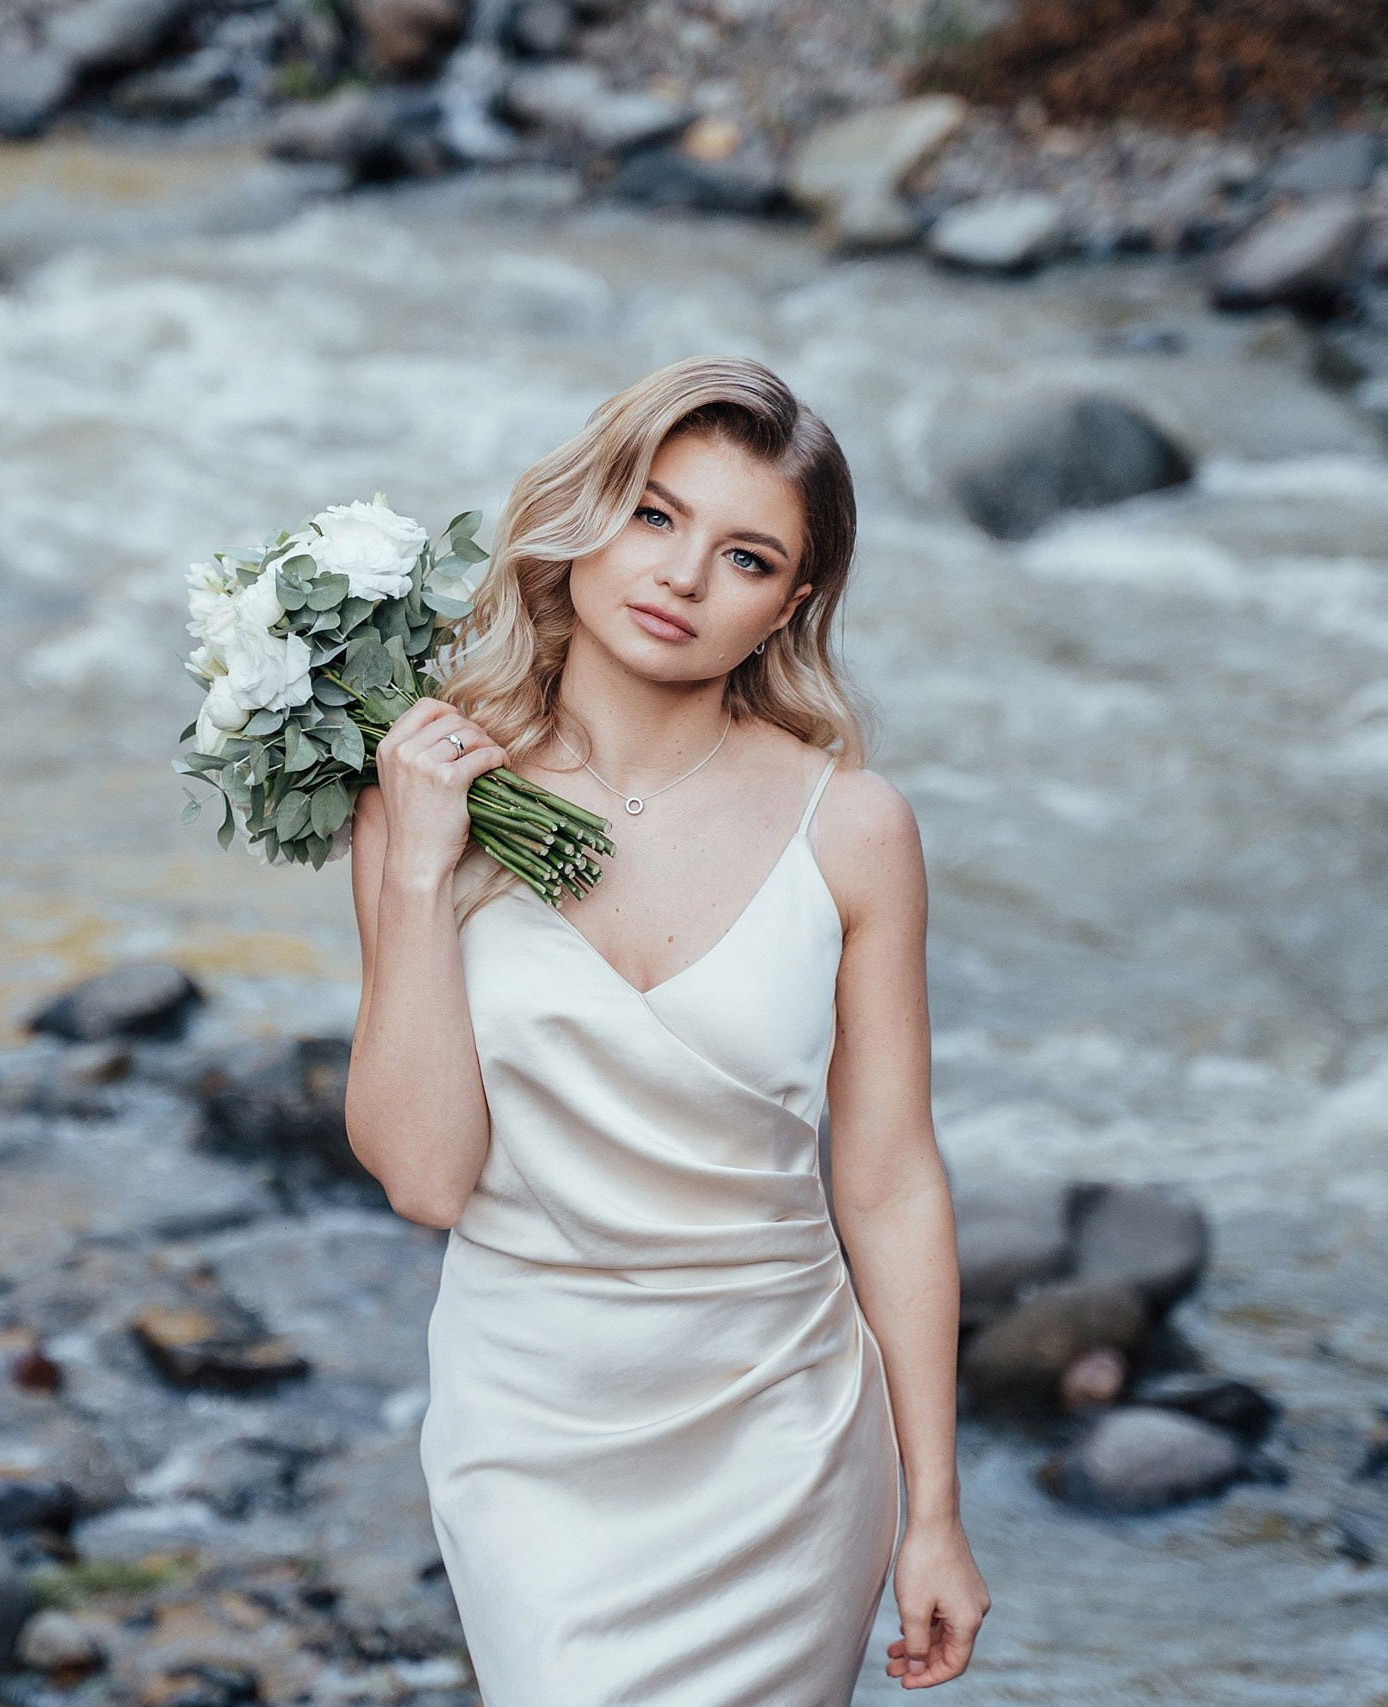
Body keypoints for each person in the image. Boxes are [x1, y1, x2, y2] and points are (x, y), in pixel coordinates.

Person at [345, 355, 988, 1702]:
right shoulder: (430, 792)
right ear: (587, 517)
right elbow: (423, 1177)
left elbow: (888, 1178)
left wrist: (934, 1511)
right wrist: (415, 870)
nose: (684, 576)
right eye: (655, 515)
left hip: (783, 1440)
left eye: (745, 556)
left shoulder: (854, 830)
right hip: (533, 1439)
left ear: (788, 608)